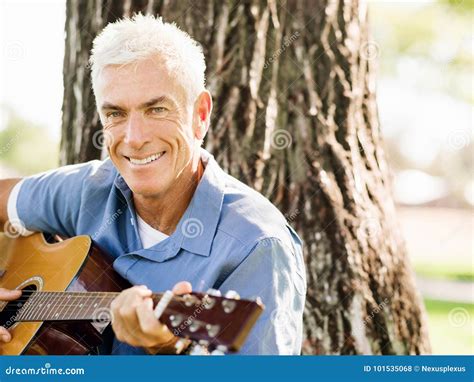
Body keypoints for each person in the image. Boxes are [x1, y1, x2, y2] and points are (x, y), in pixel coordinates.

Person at [0, 14, 306, 355]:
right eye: (116, 114)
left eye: (156, 109)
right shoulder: (90, 190)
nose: (134, 138)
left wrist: (167, 347)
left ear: (200, 115)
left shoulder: (257, 246)